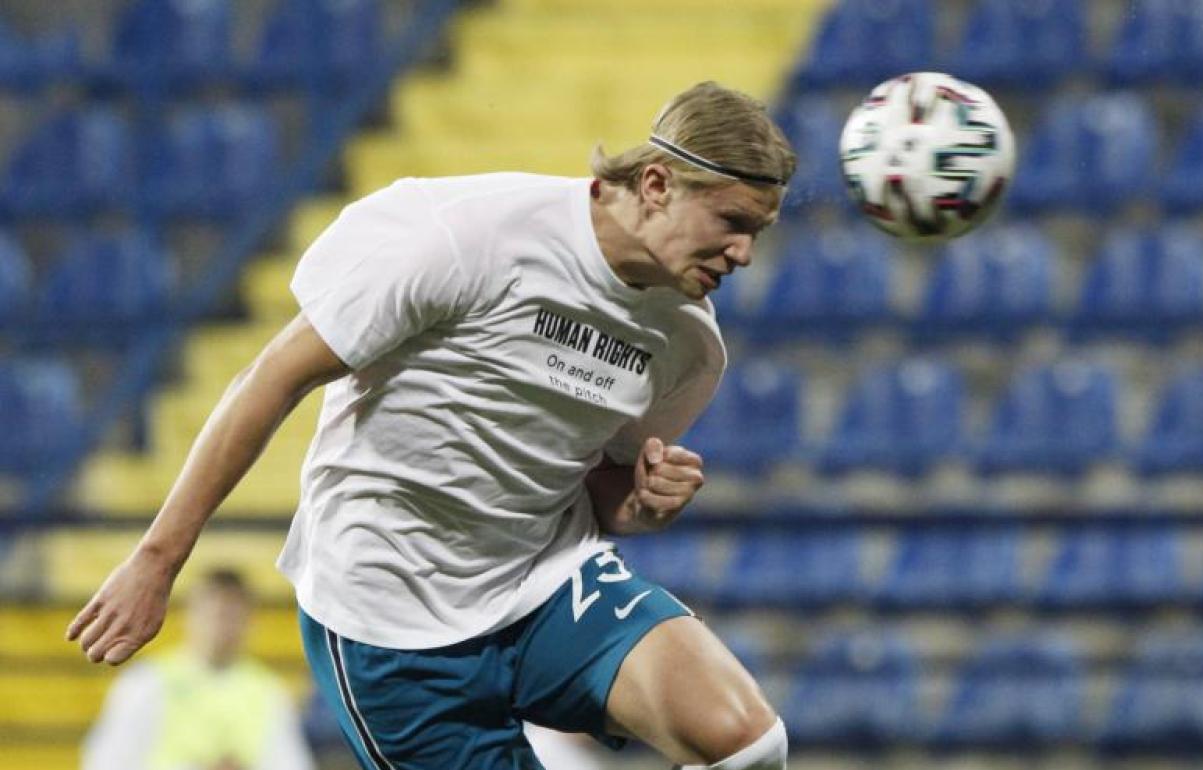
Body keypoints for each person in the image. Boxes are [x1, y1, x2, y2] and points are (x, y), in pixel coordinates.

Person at [67, 80, 797, 770]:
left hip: (542, 583)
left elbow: (599, 490)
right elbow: (271, 378)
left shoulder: (688, 342)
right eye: (732, 223)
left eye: (757, 232)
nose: (744, 254)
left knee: (747, 743)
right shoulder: (467, 236)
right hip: (389, 616)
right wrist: (158, 561)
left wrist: (639, 505)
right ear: (658, 184)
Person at [80, 568, 316, 770]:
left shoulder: (269, 692)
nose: (220, 625)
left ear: (248, 621)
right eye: (214, 612)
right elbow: (108, 760)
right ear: (191, 614)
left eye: (231, 615)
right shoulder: (148, 682)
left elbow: (289, 762)